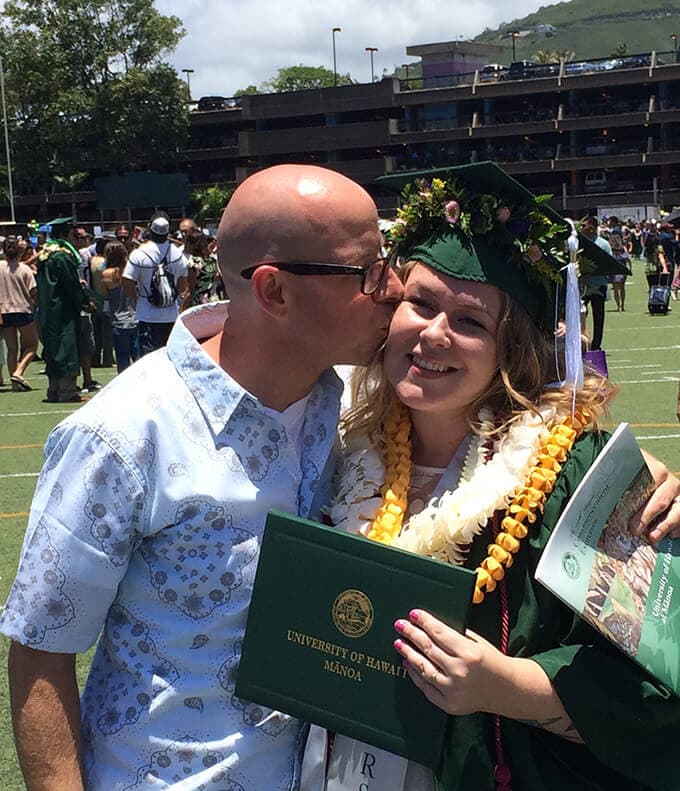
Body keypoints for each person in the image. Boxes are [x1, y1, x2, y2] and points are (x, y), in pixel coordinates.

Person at [0, 164, 404, 790]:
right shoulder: (125, 433)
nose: (396, 288)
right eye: (370, 272)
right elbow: (40, 650)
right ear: (274, 292)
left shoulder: (353, 405)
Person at [302, 163, 680, 791]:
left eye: (472, 322)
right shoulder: (330, 439)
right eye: (419, 304)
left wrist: (501, 686)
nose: (433, 334)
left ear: (513, 351)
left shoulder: (577, 477)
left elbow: (655, 689)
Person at [122, 212, 189, 355]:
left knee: (148, 358)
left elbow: (127, 280)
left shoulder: (139, 254)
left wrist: (137, 299)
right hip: (171, 315)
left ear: (150, 230)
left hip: (147, 315)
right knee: (170, 358)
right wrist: (172, 296)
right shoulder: (178, 255)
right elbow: (183, 284)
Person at [35, 235, 91, 402]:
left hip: (47, 309)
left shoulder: (45, 256)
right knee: (66, 347)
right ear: (69, 237)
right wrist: (84, 301)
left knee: (53, 348)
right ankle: (67, 391)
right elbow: (71, 285)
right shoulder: (62, 257)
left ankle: (54, 391)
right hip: (63, 311)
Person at [0, 235, 38, 391]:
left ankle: (14, 380)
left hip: (4, 310)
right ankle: (19, 372)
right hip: (22, 309)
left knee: (12, 348)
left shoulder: (0, 266)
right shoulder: (24, 269)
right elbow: (33, 291)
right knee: (32, 345)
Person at [101, 240, 137, 373]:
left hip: (118, 321)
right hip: (136, 317)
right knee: (138, 357)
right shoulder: (131, 270)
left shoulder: (106, 274)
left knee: (122, 359)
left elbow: (105, 295)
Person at [579, 216, 611, 350]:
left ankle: (596, 345)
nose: (582, 229)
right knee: (580, 315)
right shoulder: (579, 243)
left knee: (599, 317)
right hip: (583, 286)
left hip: (599, 285)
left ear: (592, 228)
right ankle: (581, 341)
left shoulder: (603, 244)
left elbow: (609, 263)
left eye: (584, 226)